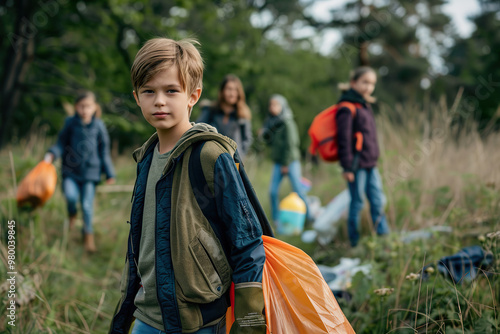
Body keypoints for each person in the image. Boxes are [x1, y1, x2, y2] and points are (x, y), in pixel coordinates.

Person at [109, 38, 266, 334]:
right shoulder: (145, 158)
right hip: (147, 314)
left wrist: (249, 325)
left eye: (171, 90)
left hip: (198, 321)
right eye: (149, 91)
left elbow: (248, 243)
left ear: (193, 96)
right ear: (136, 97)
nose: (159, 101)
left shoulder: (209, 156)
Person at [44, 91, 115, 253]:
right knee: (70, 197)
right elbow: (60, 143)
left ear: (94, 107)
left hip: (90, 174)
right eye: (81, 106)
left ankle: (88, 236)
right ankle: (71, 214)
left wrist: (109, 173)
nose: (84, 110)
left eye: (88, 106)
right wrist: (52, 154)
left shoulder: (99, 126)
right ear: (76, 107)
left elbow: (104, 151)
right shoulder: (70, 123)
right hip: (70, 172)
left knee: (87, 205)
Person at [336, 66, 390, 247]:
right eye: (365, 82)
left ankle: (384, 239)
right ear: (353, 82)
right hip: (356, 166)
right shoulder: (346, 107)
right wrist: (346, 167)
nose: (369, 87)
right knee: (357, 203)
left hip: (370, 164)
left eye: (372, 84)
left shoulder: (364, 105)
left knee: (377, 200)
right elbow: (343, 139)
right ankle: (355, 242)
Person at [260, 94, 310, 228]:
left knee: (298, 191)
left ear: (282, 106)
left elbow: (292, 143)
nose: (273, 107)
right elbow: (270, 143)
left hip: (290, 162)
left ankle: (308, 217)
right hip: (278, 162)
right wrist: (264, 134)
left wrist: (286, 164)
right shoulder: (272, 122)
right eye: (271, 105)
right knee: (272, 191)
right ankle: (276, 221)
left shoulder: (287, 121)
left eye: (276, 105)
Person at [196, 74, 253, 158]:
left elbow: (247, 139)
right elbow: (197, 130)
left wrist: (239, 156)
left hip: (233, 161)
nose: (232, 93)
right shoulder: (211, 110)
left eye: (235, 90)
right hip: (210, 159)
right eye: (229, 89)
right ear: (222, 91)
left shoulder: (242, 115)